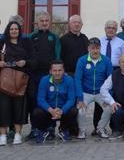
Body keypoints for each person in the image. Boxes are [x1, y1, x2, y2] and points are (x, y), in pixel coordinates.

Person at [0, 21, 36, 146]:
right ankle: (3, 135)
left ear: (19, 30)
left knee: (19, 108)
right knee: (3, 108)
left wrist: (25, 62)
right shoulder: (2, 43)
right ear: (8, 30)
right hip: (5, 80)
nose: (14, 31)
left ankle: (17, 134)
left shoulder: (26, 43)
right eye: (11, 29)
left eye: (16, 29)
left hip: (20, 80)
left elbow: (34, 59)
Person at [27, 11, 61, 140]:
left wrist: (55, 71)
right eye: (42, 21)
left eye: (47, 21)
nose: (44, 23)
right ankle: (35, 128)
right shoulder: (31, 37)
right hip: (34, 75)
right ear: (37, 22)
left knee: (50, 99)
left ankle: (50, 127)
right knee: (34, 100)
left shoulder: (54, 37)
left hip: (49, 75)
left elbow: (57, 55)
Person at [75, 37, 113, 139]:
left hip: (101, 92)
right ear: (88, 48)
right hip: (86, 92)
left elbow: (110, 80)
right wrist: (80, 98)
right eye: (92, 48)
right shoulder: (82, 60)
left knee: (109, 108)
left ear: (100, 48)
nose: (95, 50)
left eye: (97, 48)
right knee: (81, 110)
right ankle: (82, 130)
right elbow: (77, 79)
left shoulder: (106, 60)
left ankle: (100, 128)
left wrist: (109, 97)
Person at [33, 60, 77, 143]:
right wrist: (51, 110)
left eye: (60, 70)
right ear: (50, 71)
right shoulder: (44, 80)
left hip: (62, 109)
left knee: (73, 111)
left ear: (63, 71)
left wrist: (61, 110)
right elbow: (40, 99)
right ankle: (43, 131)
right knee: (37, 112)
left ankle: (63, 130)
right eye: (55, 70)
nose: (57, 73)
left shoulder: (69, 80)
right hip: (49, 109)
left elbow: (71, 99)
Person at [60, 15, 90, 136]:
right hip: (68, 75)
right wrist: (63, 72)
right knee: (68, 102)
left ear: (82, 25)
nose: (77, 25)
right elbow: (60, 57)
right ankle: (65, 127)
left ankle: (76, 127)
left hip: (82, 76)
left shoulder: (85, 39)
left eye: (79, 23)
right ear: (70, 25)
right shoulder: (64, 39)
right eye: (74, 23)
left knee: (79, 102)